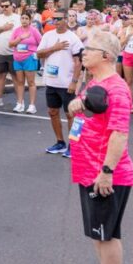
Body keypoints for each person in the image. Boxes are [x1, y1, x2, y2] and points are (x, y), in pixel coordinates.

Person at [68, 32, 133, 264]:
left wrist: (107, 172)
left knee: (106, 235)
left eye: (89, 49)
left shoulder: (116, 89)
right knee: (98, 233)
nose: (83, 52)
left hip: (104, 174)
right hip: (87, 168)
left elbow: (119, 134)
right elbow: (84, 112)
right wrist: (75, 105)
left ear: (106, 56)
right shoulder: (95, 82)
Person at [38, 11, 84, 156]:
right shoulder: (48, 36)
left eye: (59, 18)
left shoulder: (73, 38)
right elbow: (39, 54)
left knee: (72, 115)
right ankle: (60, 142)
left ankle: (74, 146)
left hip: (67, 83)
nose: (56, 21)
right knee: (52, 112)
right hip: (51, 82)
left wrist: (74, 82)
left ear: (66, 19)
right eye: (54, 18)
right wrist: (54, 48)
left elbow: (79, 62)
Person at [0, 0, 22, 109]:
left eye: (7, 6)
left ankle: (19, 102)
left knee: (15, 77)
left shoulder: (18, 18)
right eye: (3, 6)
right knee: (0, 76)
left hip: (14, 53)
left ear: (12, 6)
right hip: (0, 52)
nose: (4, 8)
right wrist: (3, 28)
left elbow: (24, 32)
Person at [10, 10, 43, 114]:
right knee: (20, 82)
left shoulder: (34, 31)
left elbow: (42, 43)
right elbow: (10, 44)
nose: (24, 20)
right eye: (22, 18)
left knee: (31, 82)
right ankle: (20, 103)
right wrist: (20, 38)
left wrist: (36, 53)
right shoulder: (16, 31)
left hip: (29, 58)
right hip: (17, 58)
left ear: (30, 20)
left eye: (26, 18)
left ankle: (32, 105)